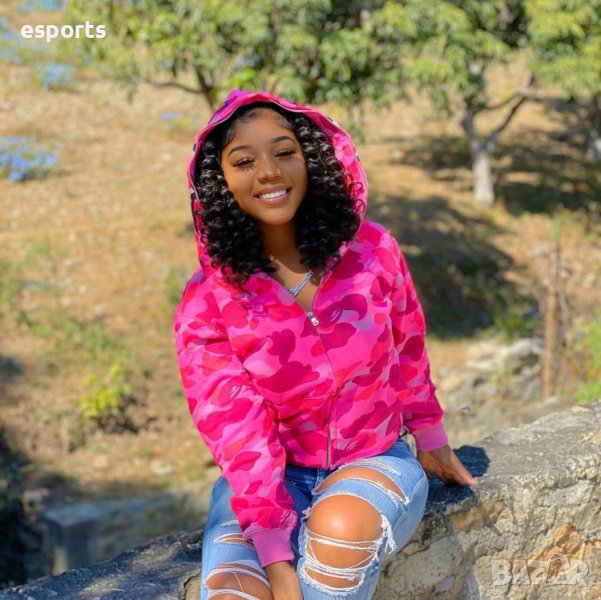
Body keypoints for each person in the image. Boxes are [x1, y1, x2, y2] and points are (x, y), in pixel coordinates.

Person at [173, 89, 477, 600]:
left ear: (312, 159)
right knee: (233, 593)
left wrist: (431, 438)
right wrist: (277, 562)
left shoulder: (373, 251)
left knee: (339, 533)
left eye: (284, 152)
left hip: (374, 459)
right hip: (265, 487)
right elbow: (236, 431)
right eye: (244, 161)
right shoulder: (208, 301)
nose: (269, 172)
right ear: (218, 182)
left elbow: (408, 347)